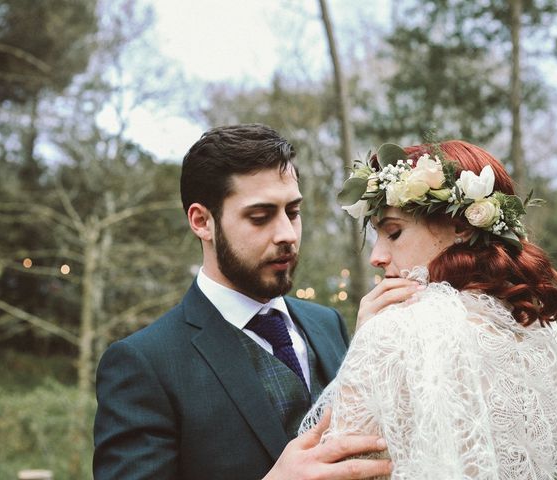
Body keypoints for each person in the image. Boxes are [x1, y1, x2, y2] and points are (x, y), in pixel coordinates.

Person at [93, 124, 392, 480]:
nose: (286, 234)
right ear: (202, 221)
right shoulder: (143, 364)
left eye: (293, 212)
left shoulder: (328, 324)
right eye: (260, 217)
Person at [302, 140, 557, 479]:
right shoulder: (535, 329)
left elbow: (334, 464)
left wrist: (367, 339)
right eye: (376, 236)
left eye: (393, 233)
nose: (376, 257)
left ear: (462, 227)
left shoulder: (392, 331)